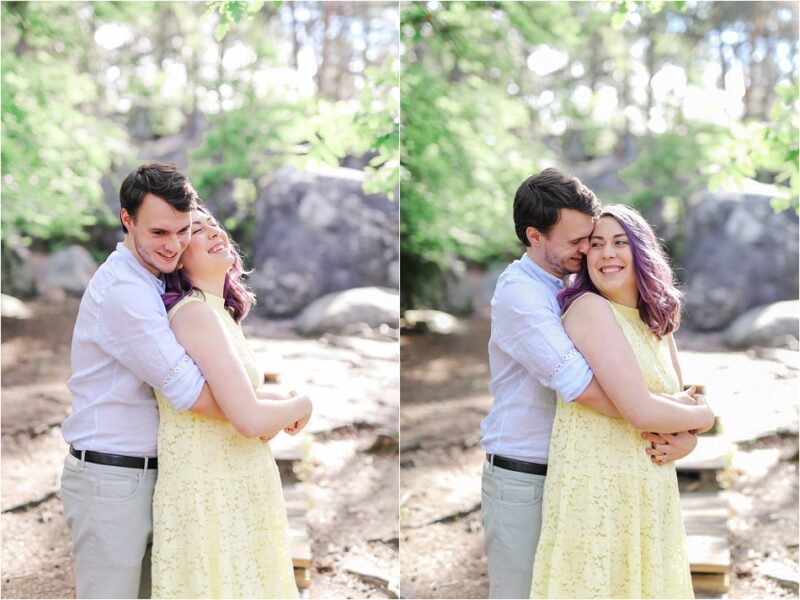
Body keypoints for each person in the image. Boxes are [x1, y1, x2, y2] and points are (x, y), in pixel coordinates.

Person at [60, 163, 306, 598]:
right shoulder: (126, 292)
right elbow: (191, 393)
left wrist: (261, 402)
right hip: (111, 477)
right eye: (159, 233)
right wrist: (268, 412)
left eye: (182, 230)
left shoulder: (156, 282)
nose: (173, 245)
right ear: (127, 219)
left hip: (160, 475)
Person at [480, 168, 702, 599]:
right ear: (535, 236)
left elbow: (656, 377)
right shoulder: (520, 296)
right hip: (527, 474)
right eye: (579, 241)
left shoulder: (586, 284)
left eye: (594, 237)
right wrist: (681, 419)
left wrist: (684, 433)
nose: (589, 249)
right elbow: (589, 391)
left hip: (591, 471)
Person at [530, 204, 714, 598]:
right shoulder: (590, 310)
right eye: (596, 244)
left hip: (650, 489)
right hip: (599, 489)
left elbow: (675, 408)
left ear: (641, 251)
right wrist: (706, 419)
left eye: (619, 243)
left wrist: (689, 438)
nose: (607, 253)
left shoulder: (657, 325)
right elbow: (642, 409)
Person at [151, 205, 308, 597]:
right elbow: (248, 419)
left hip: (233, 481)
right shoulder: (194, 314)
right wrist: (300, 405)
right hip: (211, 490)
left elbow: (233, 397)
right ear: (179, 258)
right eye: (199, 231)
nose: (214, 232)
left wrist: (272, 400)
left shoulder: (217, 313)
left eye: (214, 225)